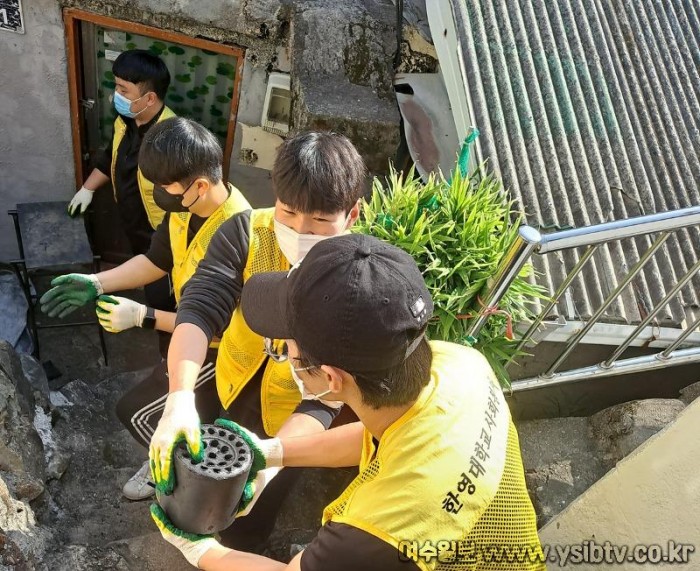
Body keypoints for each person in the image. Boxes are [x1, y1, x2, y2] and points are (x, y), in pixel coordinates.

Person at [150, 233, 546, 571]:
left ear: (332, 379)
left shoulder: (371, 533)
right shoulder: (459, 364)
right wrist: (272, 452)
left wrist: (200, 550)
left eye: (285, 345)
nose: (282, 351)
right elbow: (385, 438)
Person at [148, 131, 367, 550]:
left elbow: (329, 396)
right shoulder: (246, 231)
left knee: (254, 507)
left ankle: (240, 547)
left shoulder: (361, 279)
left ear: (352, 215)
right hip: (235, 379)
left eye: (321, 221)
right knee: (205, 463)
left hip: (298, 413)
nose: (301, 230)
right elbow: (200, 307)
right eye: (288, 213)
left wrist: (272, 459)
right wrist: (179, 396)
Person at [40, 117, 251, 500]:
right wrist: (97, 283)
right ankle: (180, 463)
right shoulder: (186, 208)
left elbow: (225, 329)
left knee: (137, 412)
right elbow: (156, 260)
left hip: (219, 355)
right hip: (188, 336)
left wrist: (142, 316)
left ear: (199, 185)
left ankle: (185, 482)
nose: (158, 192)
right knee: (182, 415)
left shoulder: (239, 233)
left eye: (164, 185)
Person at [67, 49, 176, 353]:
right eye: (116, 86)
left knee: (163, 294)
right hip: (133, 223)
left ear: (150, 99)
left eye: (123, 90)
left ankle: (169, 352)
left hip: (162, 235)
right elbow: (109, 158)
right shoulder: (125, 121)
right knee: (145, 276)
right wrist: (87, 189)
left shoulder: (170, 140)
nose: (116, 94)